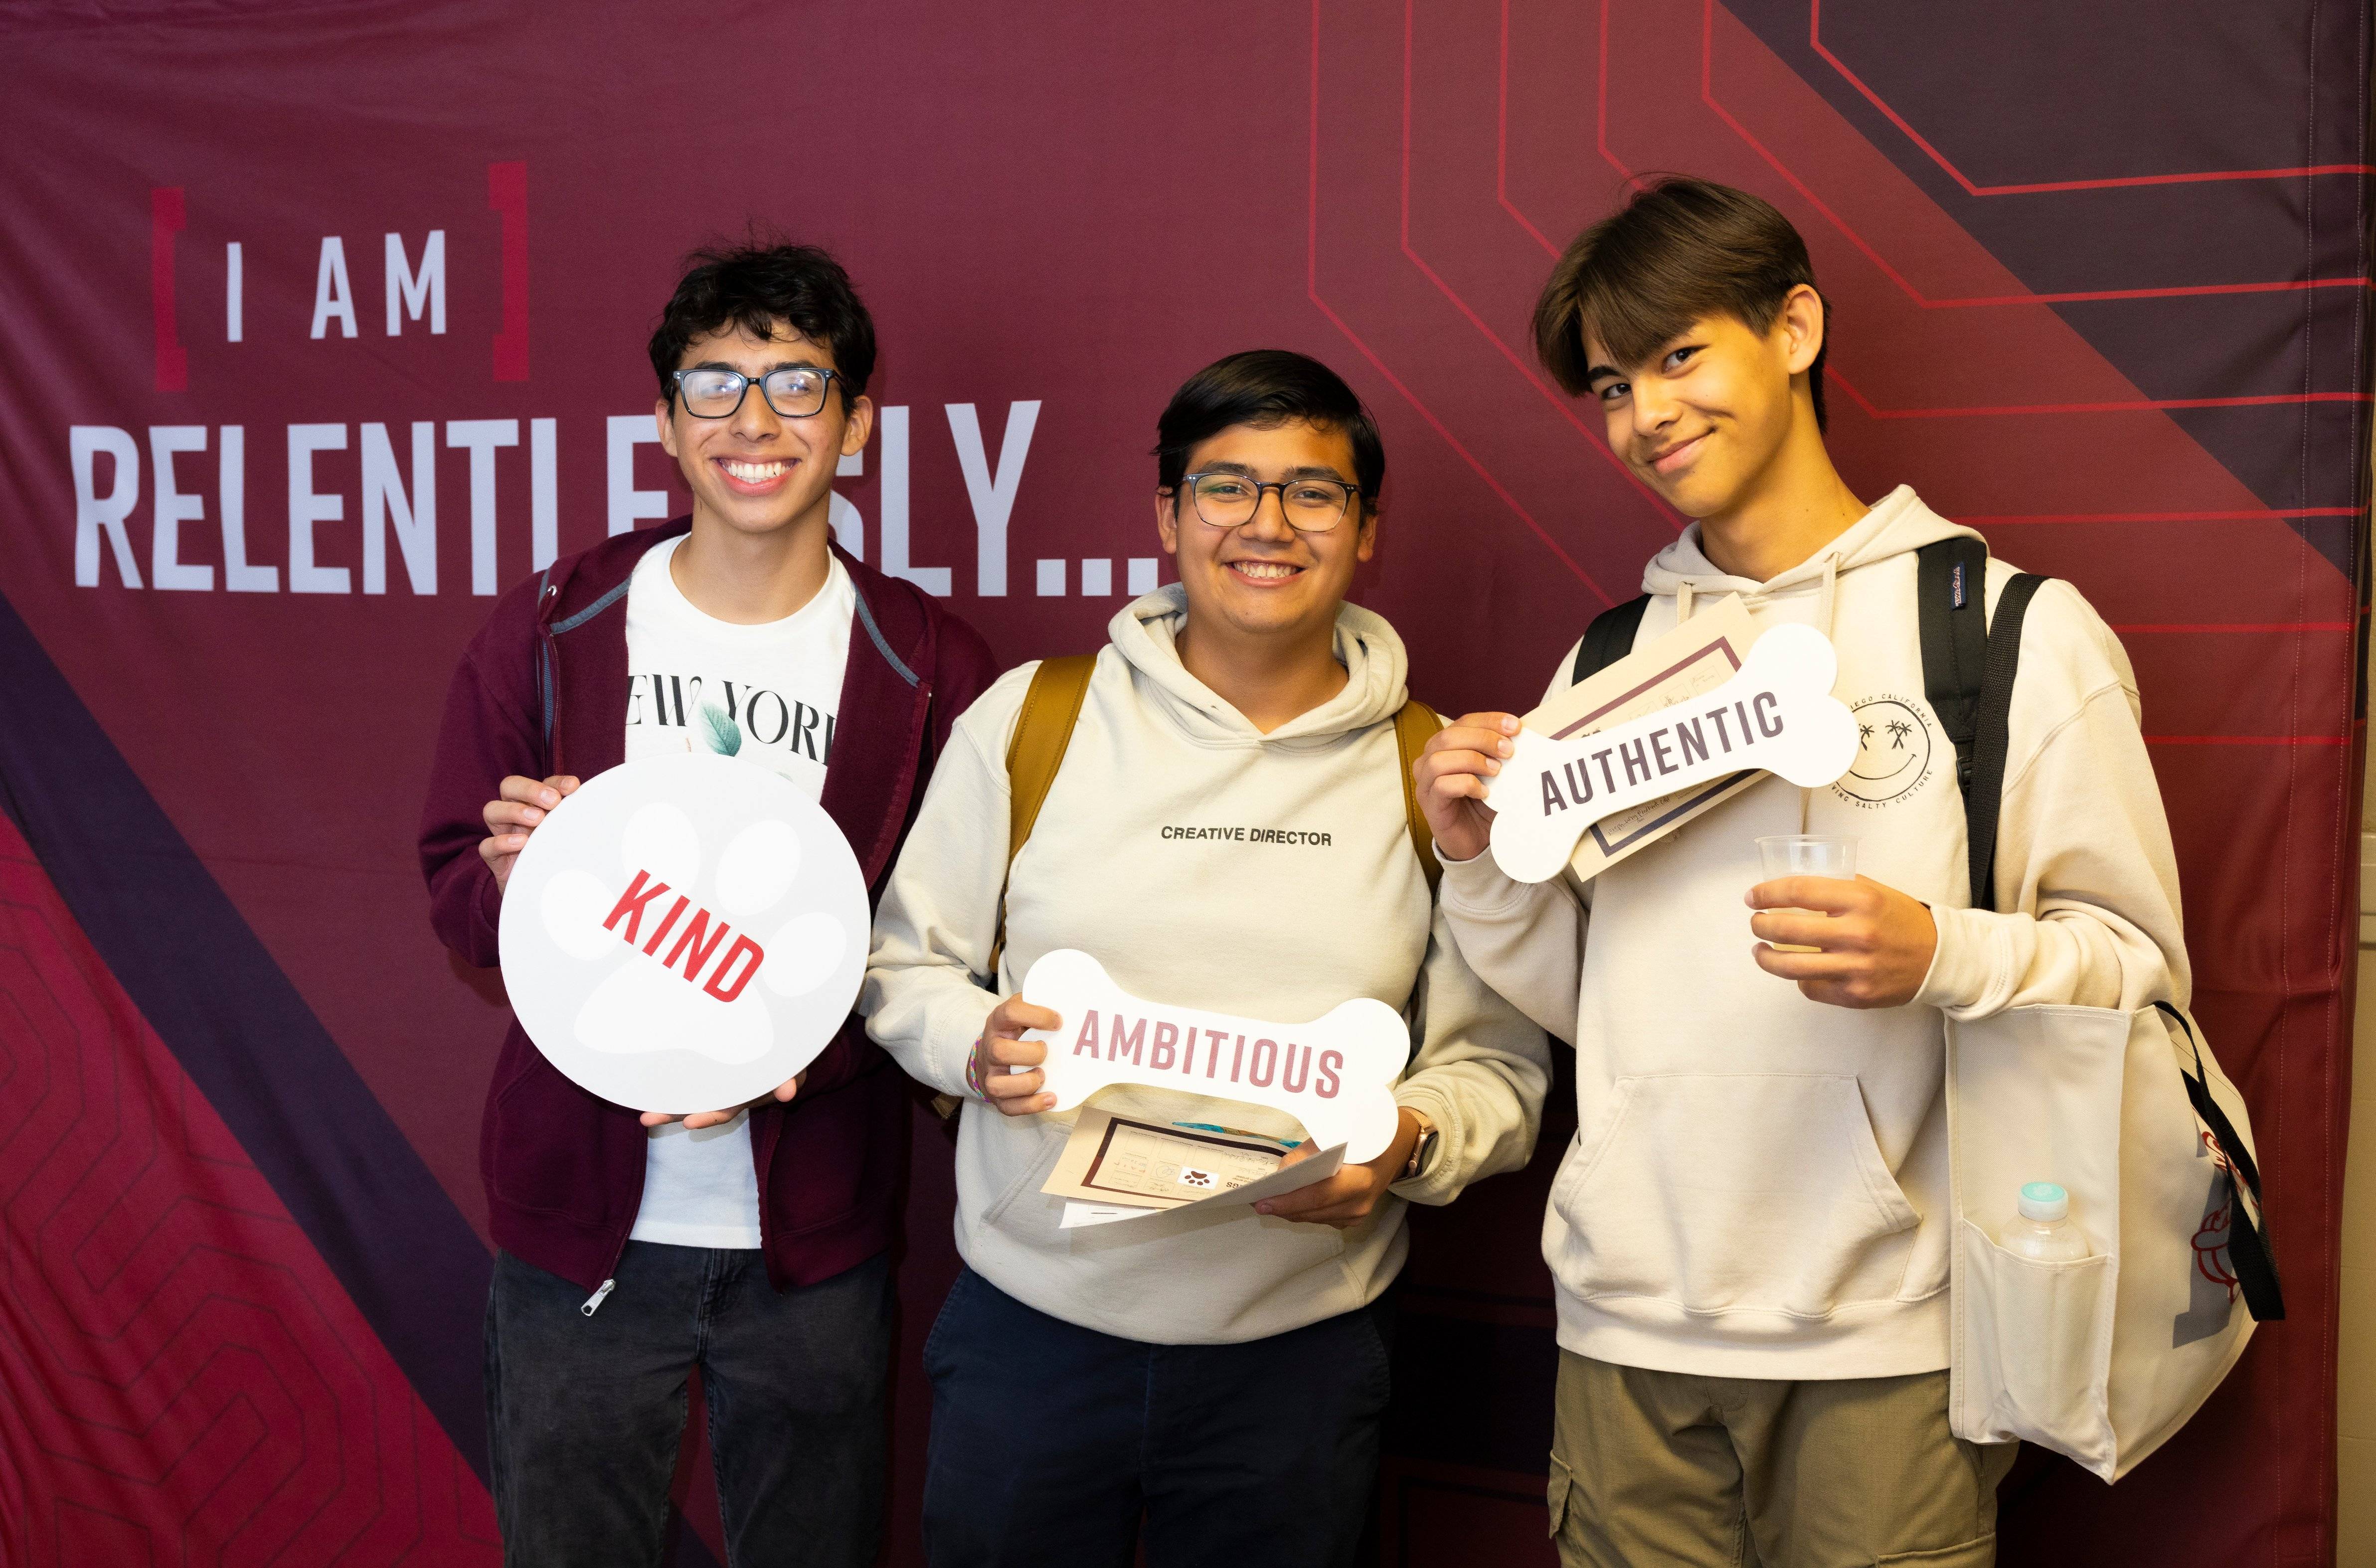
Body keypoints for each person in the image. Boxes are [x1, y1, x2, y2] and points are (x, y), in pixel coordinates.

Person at [1415, 177, 2189, 1568]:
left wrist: (1935, 952)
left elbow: (2130, 967)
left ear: (1793, 327)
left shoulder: (2002, 631)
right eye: (1608, 385)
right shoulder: (1609, 664)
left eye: (1675, 356)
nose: (1643, 415)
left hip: (1888, 1344)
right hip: (1621, 1333)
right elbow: (1584, 997)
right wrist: (1478, 863)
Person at [862, 349, 1550, 1568]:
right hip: (1033, 1336)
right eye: (1224, 487)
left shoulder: (1437, 768)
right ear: (1168, 516)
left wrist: (1404, 1143)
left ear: (1366, 528)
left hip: (1298, 1360)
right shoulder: (1035, 717)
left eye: (1312, 492)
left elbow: (1495, 1071)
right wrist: (971, 1040)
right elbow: (903, 968)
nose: (1265, 524)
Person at [418, 242, 996, 1567]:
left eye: (798, 384)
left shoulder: (928, 666)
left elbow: (948, 955)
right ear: (666, 421)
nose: (754, 421)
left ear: (855, 423)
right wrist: (512, 890)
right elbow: (453, 880)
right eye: (714, 383)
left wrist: (798, 1048)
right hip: (580, 1236)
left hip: (813, 1248)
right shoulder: (556, 622)